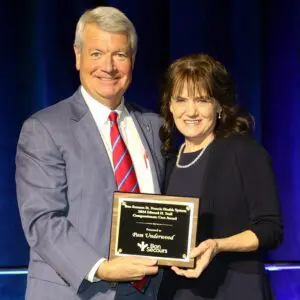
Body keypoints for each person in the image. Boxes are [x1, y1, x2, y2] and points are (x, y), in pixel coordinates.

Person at [15, 6, 164, 300]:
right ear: (77, 55)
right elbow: (42, 220)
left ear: (132, 59)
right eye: (96, 53)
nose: (108, 66)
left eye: (119, 54)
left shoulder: (155, 126)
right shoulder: (44, 129)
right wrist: (102, 268)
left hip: (150, 291)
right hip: (78, 290)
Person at [157, 54, 283, 300]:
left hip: (234, 290)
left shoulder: (244, 152)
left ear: (219, 106)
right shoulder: (169, 159)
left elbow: (270, 229)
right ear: (170, 106)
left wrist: (218, 245)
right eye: (181, 100)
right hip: (179, 292)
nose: (190, 111)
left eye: (202, 100)